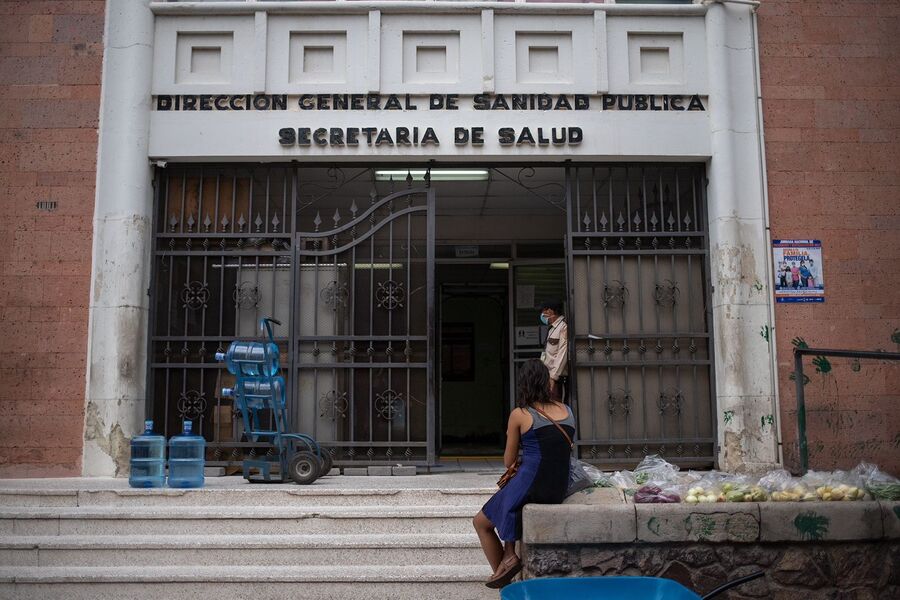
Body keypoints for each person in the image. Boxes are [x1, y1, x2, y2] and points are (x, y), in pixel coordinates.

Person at [472, 359, 575, 589]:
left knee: (480, 522)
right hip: (558, 487)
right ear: (546, 382)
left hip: (532, 483)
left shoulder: (520, 414)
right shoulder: (567, 411)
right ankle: (509, 559)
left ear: (525, 384)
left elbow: (508, 462)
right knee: (512, 502)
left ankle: (507, 574)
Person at [539, 300, 568, 404]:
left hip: (557, 379)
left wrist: (553, 377)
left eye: (543, 311)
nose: (542, 314)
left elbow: (562, 353)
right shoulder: (552, 328)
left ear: (550, 311)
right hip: (548, 377)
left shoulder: (563, 327)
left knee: (559, 406)